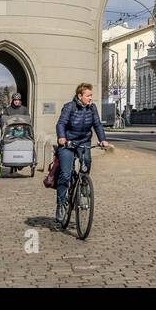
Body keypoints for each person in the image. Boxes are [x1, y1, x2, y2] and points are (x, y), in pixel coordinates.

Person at [54, 83, 109, 222]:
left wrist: (103, 140)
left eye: (91, 95)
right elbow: (61, 123)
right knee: (65, 174)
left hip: (84, 141)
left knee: (87, 162)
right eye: (88, 95)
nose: (91, 98)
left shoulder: (92, 108)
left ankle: (83, 183)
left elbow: (97, 124)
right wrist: (61, 137)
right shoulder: (69, 107)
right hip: (68, 142)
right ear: (80, 96)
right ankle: (61, 204)